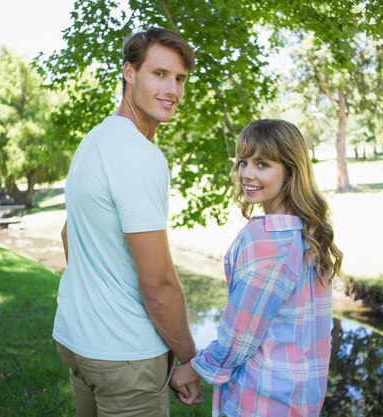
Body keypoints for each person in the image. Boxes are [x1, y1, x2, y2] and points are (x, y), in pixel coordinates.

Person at [53, 27, 201, 417]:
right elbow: (159, 284)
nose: (172, 89)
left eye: (180, 78)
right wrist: (188, 359)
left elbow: (69, 233)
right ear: (129, 73)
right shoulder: (139, 155)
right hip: (125, 357)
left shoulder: (94, 140)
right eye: (159, 74)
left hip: (78, 341)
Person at [170, 119, 344, 417]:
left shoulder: (266, 240)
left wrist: (187, 372)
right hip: (301, 400)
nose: (246, 174)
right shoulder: (308, 232)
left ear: (290, 170)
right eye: (243, 162)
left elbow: (238, 337)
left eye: (262, 164)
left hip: (260, 401)